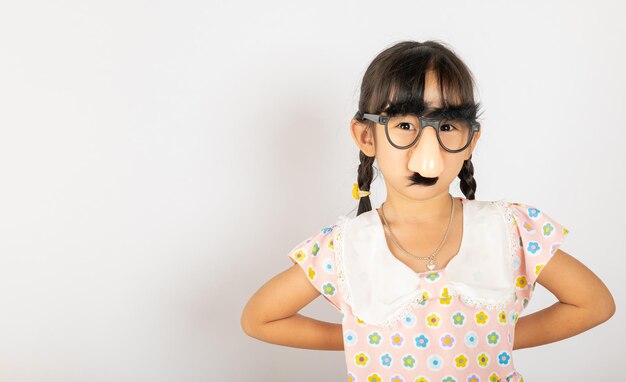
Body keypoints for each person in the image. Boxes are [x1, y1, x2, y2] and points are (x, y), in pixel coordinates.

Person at [240, 40, 615, 381]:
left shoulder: (508, 229)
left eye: (448, 125)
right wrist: (367, 340)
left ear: (471, 141)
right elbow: (260, 319)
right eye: (404, 124)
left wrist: (496, 338)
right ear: (366, 136)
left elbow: (594, 304)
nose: (427, 154)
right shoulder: (345, 246)